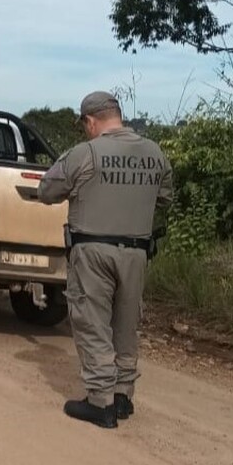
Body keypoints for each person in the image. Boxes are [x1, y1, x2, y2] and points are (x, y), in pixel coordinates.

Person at [38, 91, 173, 429]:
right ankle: (123, 396)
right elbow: (165, 199)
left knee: (91, 320)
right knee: (126, 323)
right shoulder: (155, 153)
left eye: (85, 125)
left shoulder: (85, 153)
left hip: (93, 250)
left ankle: (101, 401)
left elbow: (46, 190)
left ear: (91, 121)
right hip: (138, 252)